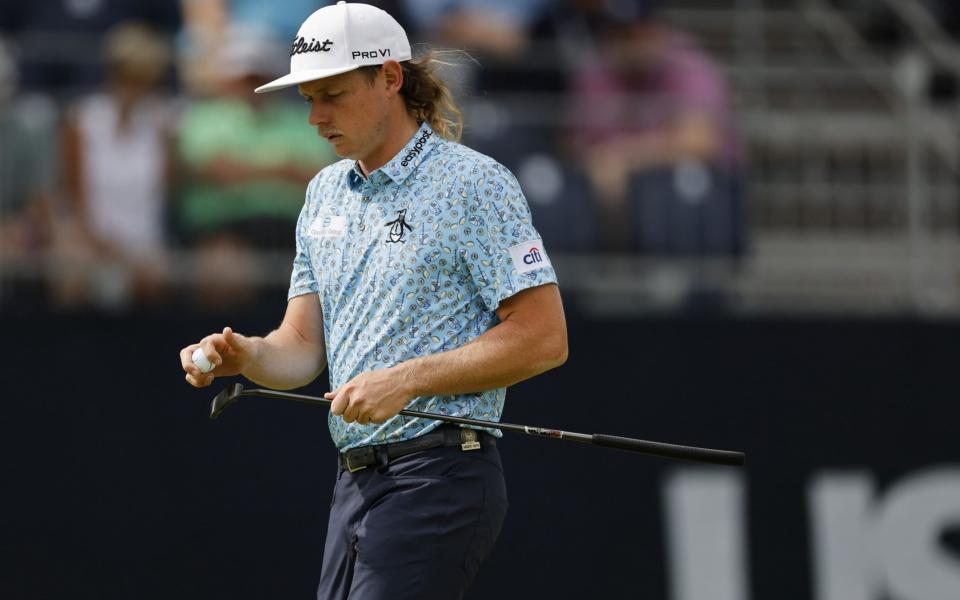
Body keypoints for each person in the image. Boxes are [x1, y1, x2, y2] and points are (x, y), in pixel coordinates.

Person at [178, 3, 568, 599]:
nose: (315, 117)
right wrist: (249, 354)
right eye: (308, 98)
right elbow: (303, 347)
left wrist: (407, 380)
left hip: (441, 474)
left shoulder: (475, 184)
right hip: (355, 483)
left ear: (389, 78)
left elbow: (542, 337)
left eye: (331, 94)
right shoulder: (323, 191)